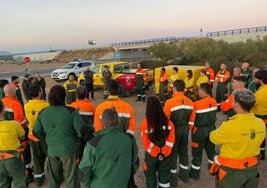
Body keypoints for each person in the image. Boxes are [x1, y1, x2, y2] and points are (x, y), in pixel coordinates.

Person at [210, 89, 266, 188]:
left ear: (237, 105)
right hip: (252, 169)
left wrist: (221, 127)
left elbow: (213, 138)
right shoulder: (260, 123)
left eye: (233, 100)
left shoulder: (230, 125)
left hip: (231, 172)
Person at [33, 85, 85, 188]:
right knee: (71, 178)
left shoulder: (43, 112)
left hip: (52, 150)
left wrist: (46, 140)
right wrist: (77, 141)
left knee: (54, 179)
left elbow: (36, 132)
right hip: (69, 150)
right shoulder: (71, 111)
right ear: (64, 97)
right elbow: (81, 132)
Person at [79, 108, 139, 188]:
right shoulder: (130, 139)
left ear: (102, 122)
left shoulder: (94, 143)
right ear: (118, 121)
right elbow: (135, 162)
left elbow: (83, 171)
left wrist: (87, 185)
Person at [140, 96, 175, 188]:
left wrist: (156, 152)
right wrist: (163, 152)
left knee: (150, 175)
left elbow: (145, 142)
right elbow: (171, 140)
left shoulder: (145, 123)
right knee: (164, 176)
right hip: (165, 155)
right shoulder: (168, 122)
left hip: (151, 156)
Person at [164, 80, 194, 186]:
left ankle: (173, 179)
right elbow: (191, 121)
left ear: (174, 89)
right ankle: (185, 175)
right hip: (185, 130)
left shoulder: (169, 102)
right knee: (184, 152)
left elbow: (166, 120)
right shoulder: (190, 102)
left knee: (172, 154)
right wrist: (187, 128)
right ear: (184, 89)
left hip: (174, 131)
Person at [2, 84, 33, 184]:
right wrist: (26, 122)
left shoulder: (2, 102)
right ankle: (28, 172)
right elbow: (21, 122)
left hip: (4, 142)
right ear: (13, 92)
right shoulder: (16, 104)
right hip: (18, 137)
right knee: (26, 155)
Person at [188, 83, 217, 180]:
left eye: (199, 90)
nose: (198, 91)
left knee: (197, 152)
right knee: (211, 149)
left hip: (199, 132)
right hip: (212, 129)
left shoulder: (196, 104)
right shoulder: (213, 101)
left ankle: (195, 173)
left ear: (203, 91)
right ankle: (213, 168)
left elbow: (191, 121)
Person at [24, 85, 49, 186]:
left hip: (32, 136)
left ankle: (38, 179)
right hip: (44, 136)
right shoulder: (46, 105)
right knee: (51, 156)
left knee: (37, 157)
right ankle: (56, 175)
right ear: (39, 93)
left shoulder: (26, 106)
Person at [0, 100, 26, 188]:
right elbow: (22, 136)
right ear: (3, 110)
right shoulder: (14, 124)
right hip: (13, 159)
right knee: (20, 182)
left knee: (2, 184)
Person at [70, 86, 95, 161]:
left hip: (76, 134)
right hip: (88, 133)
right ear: (86, 94)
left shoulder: (72, 106)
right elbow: (94, 119)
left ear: (76, 95)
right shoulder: (90, 106)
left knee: (78, 153)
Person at [251, 70, 267, 160]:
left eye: (255, 77)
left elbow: (251, 105)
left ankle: (260, 153)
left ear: (260, 80)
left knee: (259, 136)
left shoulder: (259, 94)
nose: (254, 79)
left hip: (260, 117)